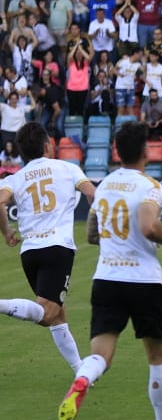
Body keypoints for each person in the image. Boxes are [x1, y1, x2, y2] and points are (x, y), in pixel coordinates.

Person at [56, 121, 162, 420]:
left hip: (106, 280)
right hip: (143, 281)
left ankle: (83, 378)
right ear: (145, 151)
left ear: (116, 151)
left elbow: (90, 235)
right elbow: (146, 225)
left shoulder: (104, 186)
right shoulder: (149, 187)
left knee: (101, 354)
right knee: (158, 355)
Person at [0, 123, 97, 373]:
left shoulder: (16, 177)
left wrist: (7, 231)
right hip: (57, 247)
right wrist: (100, 227)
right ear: (46, 145)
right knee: (46, 313)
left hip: (30, 252)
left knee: (56, 315)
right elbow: (91, 193)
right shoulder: (67, 168)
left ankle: (80, 370)